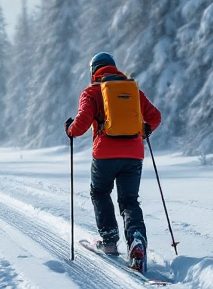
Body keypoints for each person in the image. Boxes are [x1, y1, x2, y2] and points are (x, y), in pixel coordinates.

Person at [65, 52, 162, 268]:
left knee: (100, 193)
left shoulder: (91, 92)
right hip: (133, 155)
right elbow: (155, 116)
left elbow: (80, 124)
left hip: (105, 155)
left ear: (93, 71)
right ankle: (136, 239)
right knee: (129, 201)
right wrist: (144, 131)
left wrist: (70, 129)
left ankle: (109, 241)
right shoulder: (132, 90)